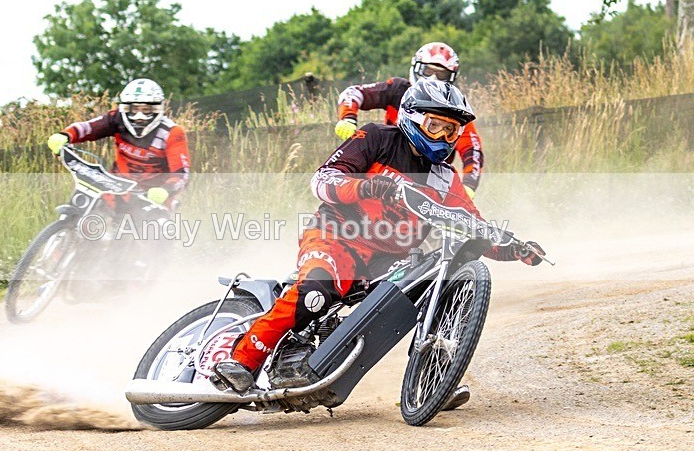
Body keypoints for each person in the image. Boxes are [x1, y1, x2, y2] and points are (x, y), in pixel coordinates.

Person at [211, 80, 544, 411]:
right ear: (412, 118)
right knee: (316, 291)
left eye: (451, 130)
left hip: (387, 259)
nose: (442, 137)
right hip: (335, 235)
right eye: (434, 125)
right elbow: (323, 180)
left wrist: (514, 248)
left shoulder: (446, 178)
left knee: (428, 287)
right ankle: (240, 361)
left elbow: (473, 225)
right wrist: (371, 186)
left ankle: (435, 379)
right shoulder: (375, 138)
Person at [334, 42, 484, 199]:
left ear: (451, 78)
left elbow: (472, 149)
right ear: (416, 67)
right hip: (385, 161)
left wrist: (468, 184)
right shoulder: (396, 89)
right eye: (428, 71)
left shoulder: (455, 109)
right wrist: (348, 118)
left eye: (441, 75)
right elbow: (353, 93)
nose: (433, 77)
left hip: (430, 176)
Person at [46, 78, 190, 208]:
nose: (139, 116)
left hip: (152, 196)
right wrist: (66, 135)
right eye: (134, 109)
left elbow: (182, 174)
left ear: (158, 108)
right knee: (84, 210)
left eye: (146, 110)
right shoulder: (117, 119)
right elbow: (89, 127)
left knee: (147, 231)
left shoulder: (173, 133)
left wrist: (165, 190)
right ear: (125, 109)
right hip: (115, 186)